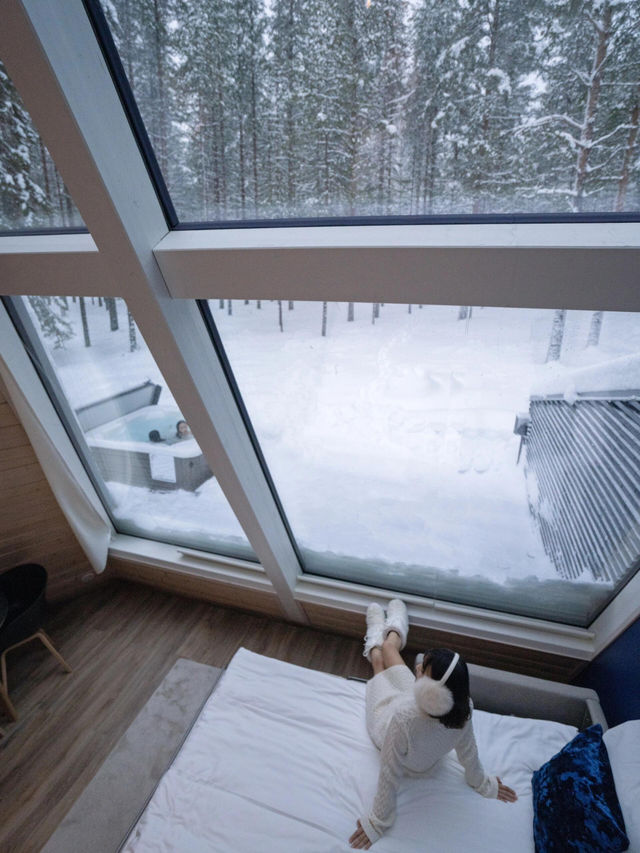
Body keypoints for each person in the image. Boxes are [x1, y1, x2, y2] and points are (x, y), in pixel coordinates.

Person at [349, 599, 518, 849]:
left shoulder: (403, 719)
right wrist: (480, 781)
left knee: (379, 663)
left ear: (434, 692)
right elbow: (468, 752)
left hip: (387, 720)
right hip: (413, 701)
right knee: (390, 650)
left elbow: (389, 769)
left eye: (422, 670)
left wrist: (379, 821)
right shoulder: (463, 708)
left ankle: (376, 639)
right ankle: (392, 628)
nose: (416, 667)